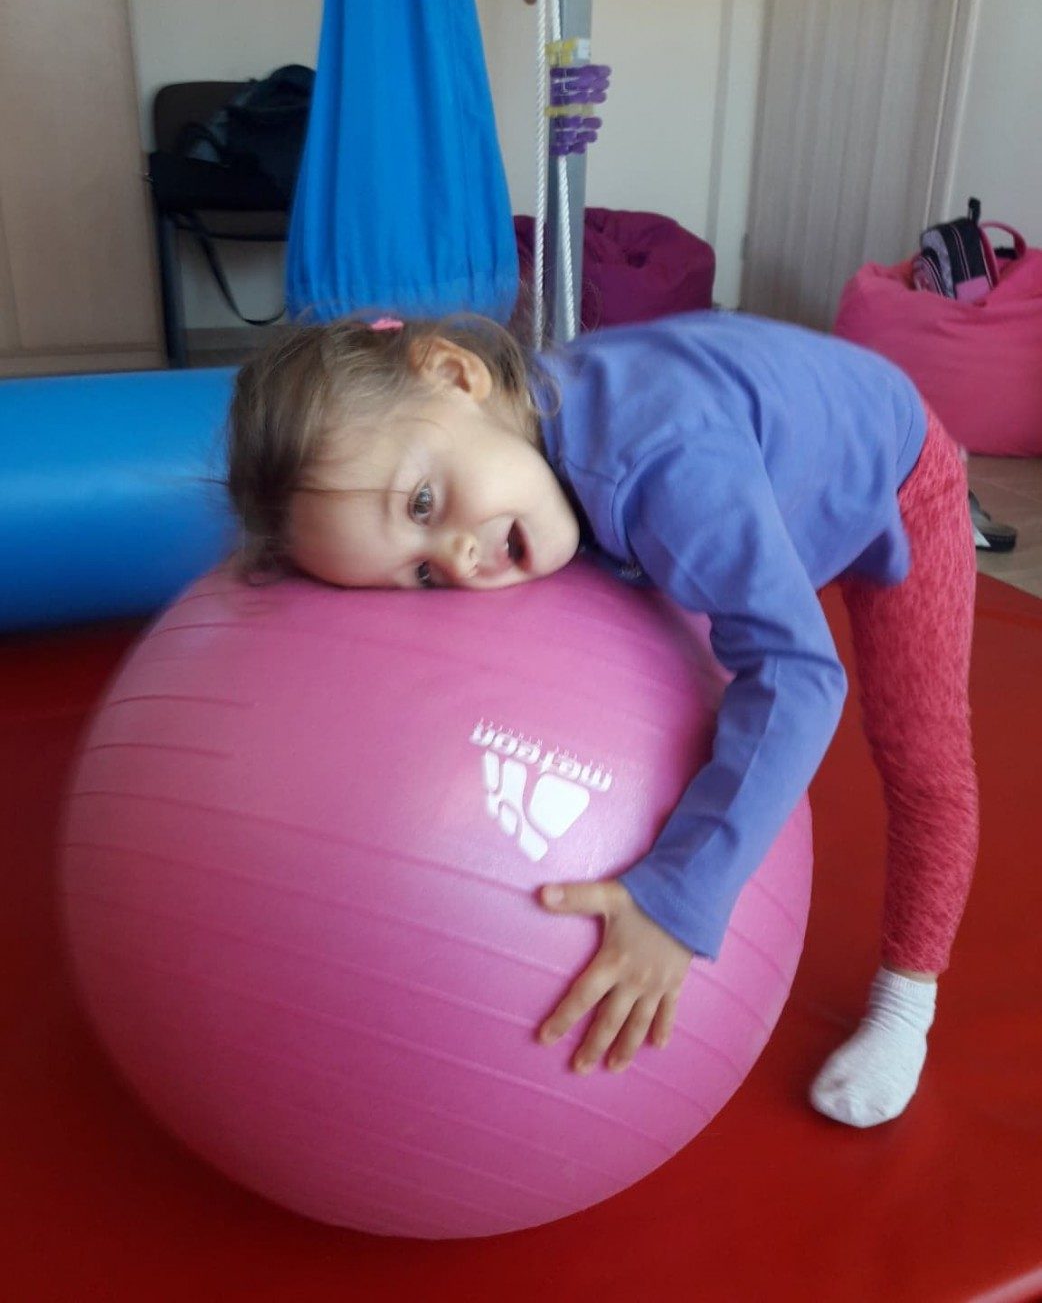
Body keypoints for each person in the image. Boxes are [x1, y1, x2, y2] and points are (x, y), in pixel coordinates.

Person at [226, 309, 979, 1129]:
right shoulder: (514, 447)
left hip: (897, 474)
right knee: (721, 575)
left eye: (423, 502)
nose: (459, 558)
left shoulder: (665, 468)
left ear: (456, 375)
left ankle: (908, 1004)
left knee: (922, 756)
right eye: (421, 576)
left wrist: (676, 899)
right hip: (761, 456)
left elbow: (801, 676)